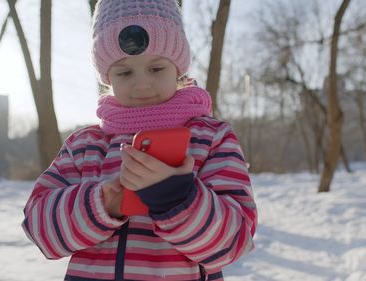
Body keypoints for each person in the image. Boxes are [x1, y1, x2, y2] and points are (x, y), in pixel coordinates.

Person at [21, 0, 257, 280]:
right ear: (107, 76)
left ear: (177, 66)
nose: (142, 84)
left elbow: (234, 242)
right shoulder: (85, 146)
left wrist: (177, 198)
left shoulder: (211, 138)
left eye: (156, 69)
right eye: (124, 72)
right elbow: (39, 228)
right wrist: (101, 204)